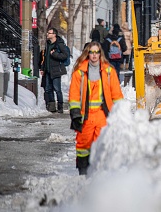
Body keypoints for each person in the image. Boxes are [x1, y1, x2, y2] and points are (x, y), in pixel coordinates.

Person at [68, 42, 124, 175]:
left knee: (102, 144)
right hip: (85, 116)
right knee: (83, 145)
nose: (94, 55)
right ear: (88, 53)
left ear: (100, 53)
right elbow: (74, 95)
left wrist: (120, 113)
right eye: (91, 52)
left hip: (103, 115)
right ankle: (83, 171)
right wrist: (75, 114)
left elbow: (116, 95)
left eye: (96, 52)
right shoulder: (79, 73)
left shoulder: (109, 72)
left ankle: (100, 173)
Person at [40, 27, 69, 113]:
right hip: (48, 70)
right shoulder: (48, 44)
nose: (47, 34)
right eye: (47, 33)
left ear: (54, 35)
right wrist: (43, 68)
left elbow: (65, 55)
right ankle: (52, 107)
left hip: (56, 70)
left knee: (57, 89)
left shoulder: (59, 44)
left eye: (49, 33)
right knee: (48, 89)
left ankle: (60, 107)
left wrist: (55, 54)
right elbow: (45, 57)